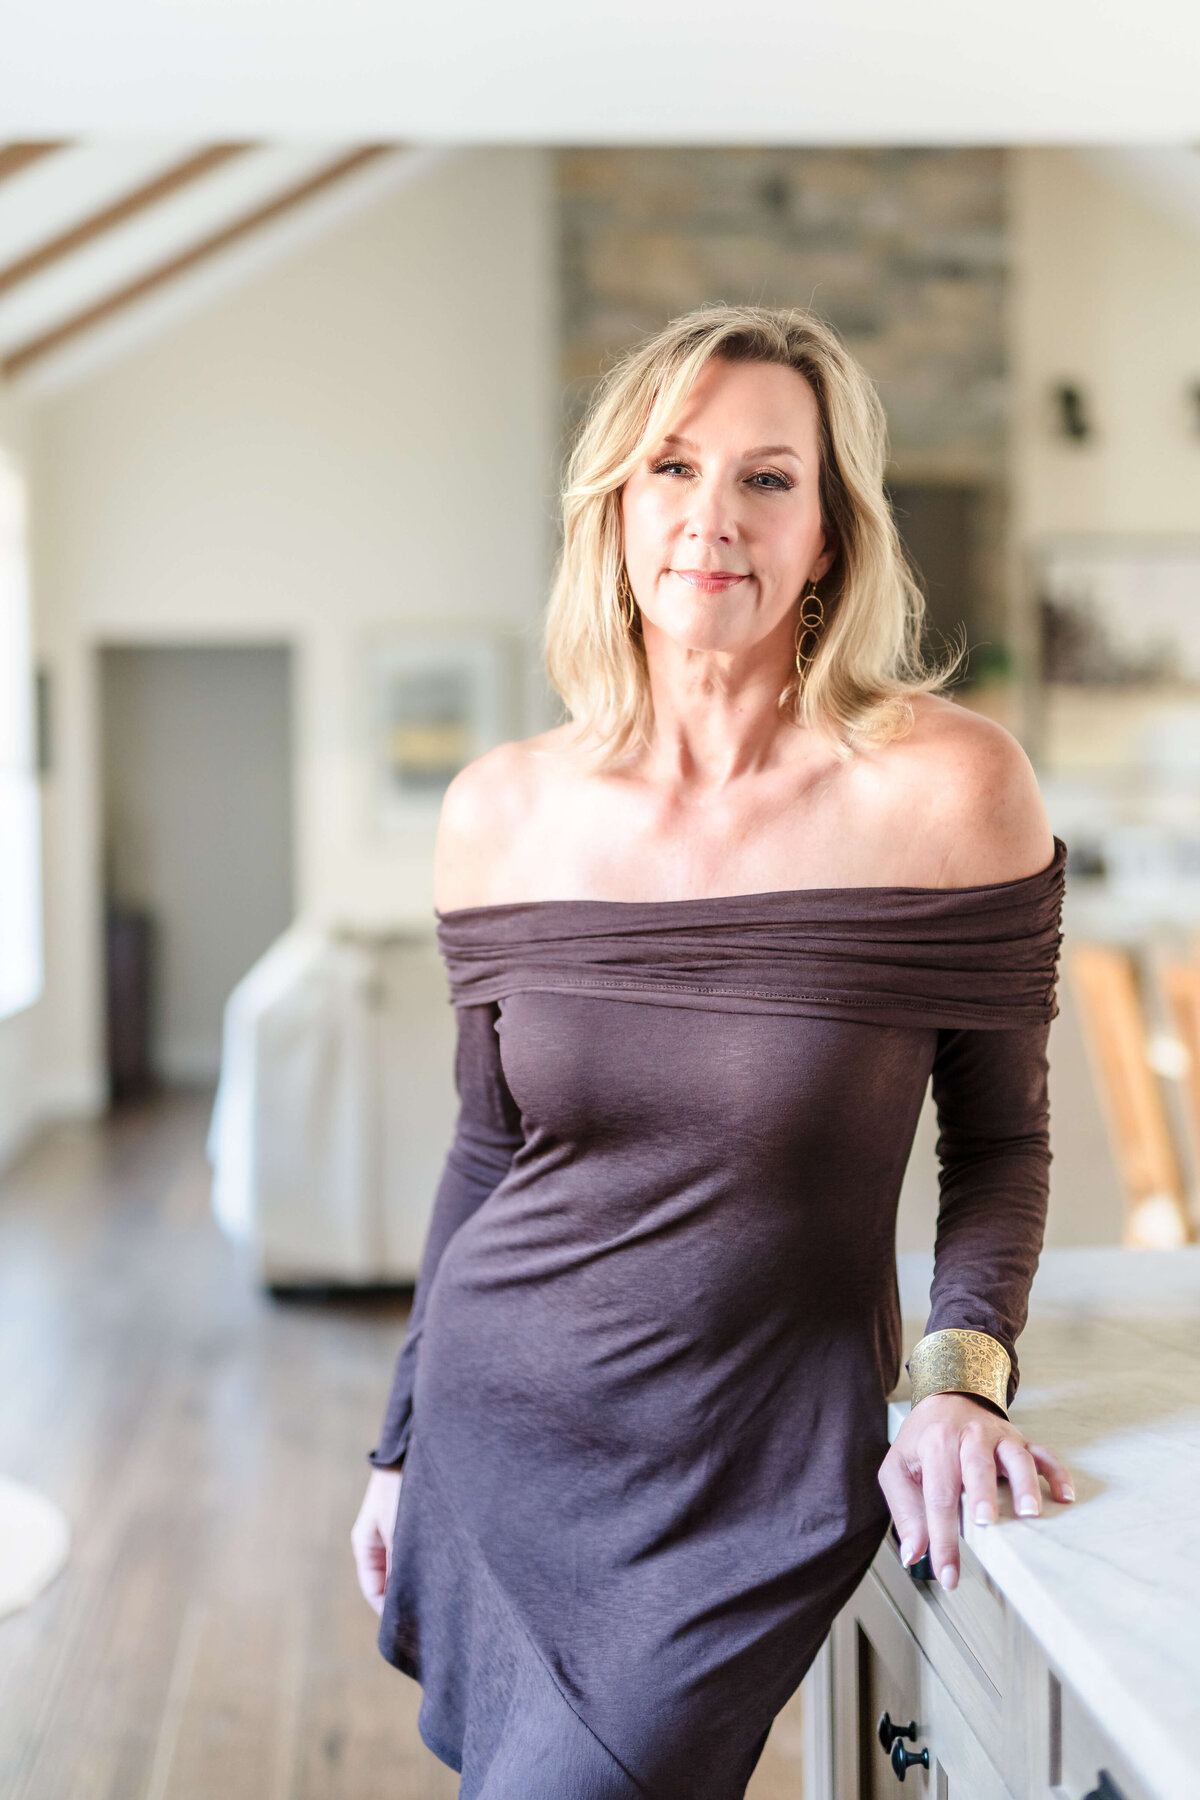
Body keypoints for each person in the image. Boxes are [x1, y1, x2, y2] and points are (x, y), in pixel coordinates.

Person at [351, 302, 1075, 1800]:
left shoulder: (952, 789)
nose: (712, 519)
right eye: (671, 468)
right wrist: (400, 1441)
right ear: (614, 511)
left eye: (768, 477)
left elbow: (998, 1142)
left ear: (830, 532)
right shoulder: (501, 808)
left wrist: (960, 1378)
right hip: (499, 1445)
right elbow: (489, 1153)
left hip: (758, 1462)